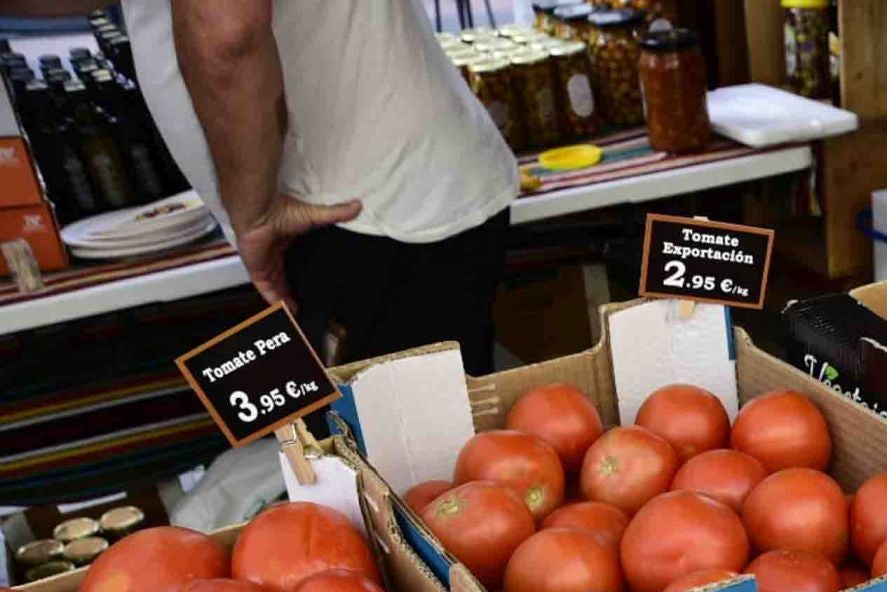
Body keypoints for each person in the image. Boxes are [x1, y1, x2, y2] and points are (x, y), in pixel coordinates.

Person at [5, 0, 517, 372]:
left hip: (363, 215)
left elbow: (228, 31)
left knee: (395, 492)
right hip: (371, 202)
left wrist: (253, 216)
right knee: (378, 478)